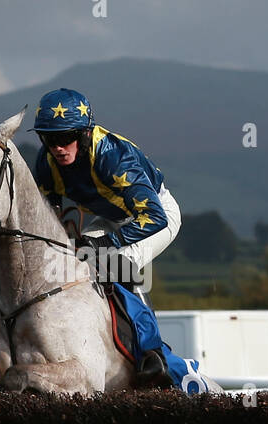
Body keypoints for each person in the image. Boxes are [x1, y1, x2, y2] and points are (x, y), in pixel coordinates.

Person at [30, 87, 194, 388]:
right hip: (111, 217)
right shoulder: (46, 164)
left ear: (82, 134)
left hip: (155, 215)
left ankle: (152, 352)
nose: (58, 148)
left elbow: (153, 216)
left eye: (65, 138)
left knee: (116, 264)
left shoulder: (112, 156)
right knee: (75, 263)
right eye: (49, 138)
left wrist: (106, 244)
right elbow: (49, 214)